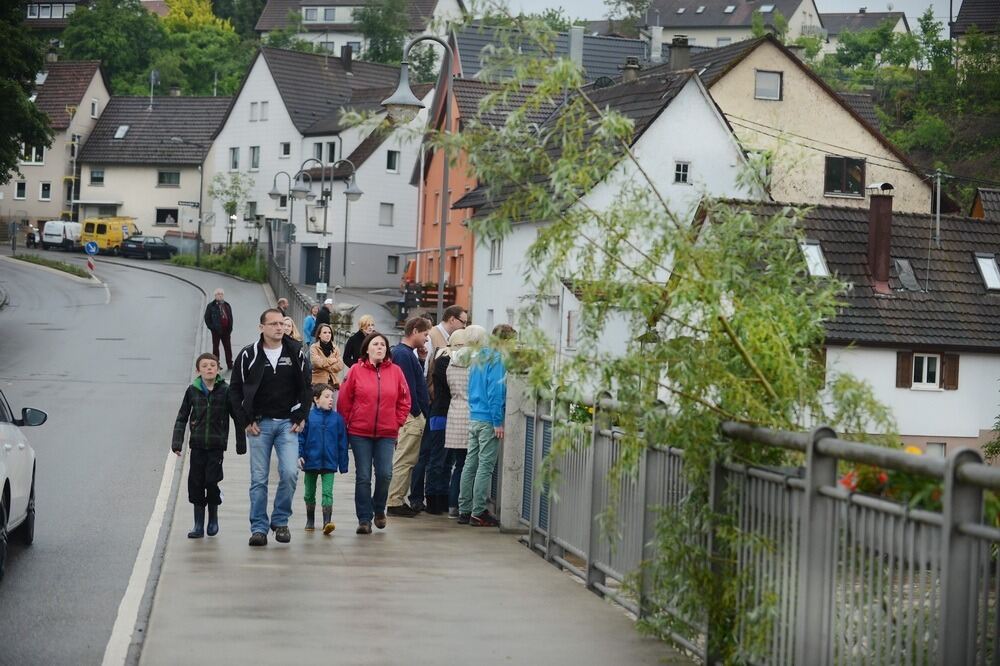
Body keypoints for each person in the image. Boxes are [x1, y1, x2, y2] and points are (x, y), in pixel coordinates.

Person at [230, 308, 312, 547]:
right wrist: (245, 419)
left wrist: (301, 415)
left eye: (282, 323)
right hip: (260, 425)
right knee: (258, 479)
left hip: (288, 424)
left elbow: (307, 386)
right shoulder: (248, 355)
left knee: (290, 472)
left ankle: (280, 520)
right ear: (262, 327)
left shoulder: (296, 352)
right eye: (274, 324)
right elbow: (235, 390)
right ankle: (258, 528)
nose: (279, 327)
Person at [337, 332, 411, 534]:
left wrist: (398, 421)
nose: (380, 348)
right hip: (360, 432)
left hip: (387, 432)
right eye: (375, 344)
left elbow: (405, 400)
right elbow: (344, 400)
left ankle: (379, 509)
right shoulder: (355, 371)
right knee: (363, 476)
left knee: (385, 473)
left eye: (383, 345)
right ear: (367, 348)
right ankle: (364, 518)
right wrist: (345, 425)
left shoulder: (396, 371)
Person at [172, 353, 246, 538]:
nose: (209, 368)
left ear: (218, 369)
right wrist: (177, 442)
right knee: (196, 483)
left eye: (212, 365)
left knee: (211, 481)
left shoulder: (226, 390)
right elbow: (182, 417)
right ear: (198, 370)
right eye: (204, 366)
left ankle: (213, 518)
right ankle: (198, 524)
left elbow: (237, 417)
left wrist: (240, 443)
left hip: (216, 445)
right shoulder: (192, 390)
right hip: (197, 445)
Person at [457, 324, 516, 527]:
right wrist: (497, 421)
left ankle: (464, 509)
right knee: (485, 466)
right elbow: (495, 392)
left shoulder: (479, 356)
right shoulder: (498, 359)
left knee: (470, 464)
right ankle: (478, 511)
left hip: (474, 415)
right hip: (488, 419)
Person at [410, 329, 464, 514]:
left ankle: (439, 497)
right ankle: (434, 497)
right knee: (439, 457)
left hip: (440, 412)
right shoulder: (447, 361)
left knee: (444, 458)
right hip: (441, 413)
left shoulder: (440, 358)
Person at [386, 317, 432, 517]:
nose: (427, 338)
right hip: (411, 416)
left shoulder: (405, 354)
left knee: (408, 459)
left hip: (411, 415)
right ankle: (394, 501)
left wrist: (421, 361)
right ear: (415, 331)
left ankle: (397, 499)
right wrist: (416, 411)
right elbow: (406, 387)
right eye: (425, 334)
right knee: (404, 460)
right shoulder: (403, 355)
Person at [298, 383, 348, 534]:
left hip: (329, 463)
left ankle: (327, 521)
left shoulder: (338, 419)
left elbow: (342, 442)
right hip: (310, 462)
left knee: (327, 492)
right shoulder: (307, 417)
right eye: (326, 397)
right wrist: (299, 455)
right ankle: (310, 519)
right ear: (316, 399)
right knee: (309, 492)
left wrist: (343, 464)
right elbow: (300, 438)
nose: (331, 400)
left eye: (332, 397)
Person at [443, 327, 478, 518]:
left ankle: (452, 506)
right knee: (469, 464)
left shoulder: (451, 363)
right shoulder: (474, 363)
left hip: (454, 412)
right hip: (470, 414)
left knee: (459, 464)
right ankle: (465, 504)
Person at [424, 305, 468, 371]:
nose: (465, 326)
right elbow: (424, 367)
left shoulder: (454, 338)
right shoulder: (430, 336)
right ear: (452, 319)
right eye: (463, 322)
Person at [203, 288, 235, 370]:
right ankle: (216, 364)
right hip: (216, 331)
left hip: (226, 330)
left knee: (228, 347)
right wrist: (212, 328)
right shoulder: (211, 306)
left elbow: (230, 317)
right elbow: (207, 318)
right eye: (218, 294)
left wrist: (230, 327)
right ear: (215, 295)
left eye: (221, 294)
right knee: (216, 348)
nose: (220, 295)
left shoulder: (227, 305)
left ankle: (230, 364)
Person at [310, 323, 343, 389]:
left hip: (333, 383)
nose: (328, 335)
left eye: (329, 333)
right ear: (319, 334)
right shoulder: (314, 347)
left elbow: (340, 365)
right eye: (325, 332)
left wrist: (324, 365)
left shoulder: (335, 348)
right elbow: (318, 363)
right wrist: (333, 360)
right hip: (318, 382)